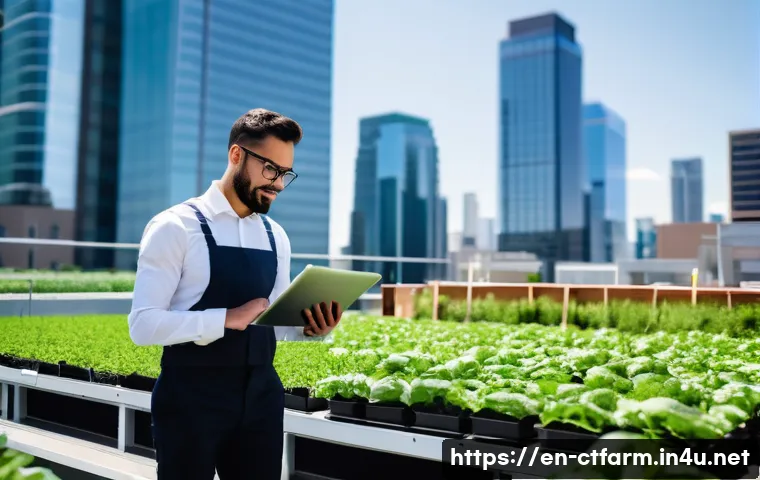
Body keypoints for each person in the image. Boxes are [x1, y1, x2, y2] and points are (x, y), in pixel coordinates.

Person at [127, 108, 343, 479]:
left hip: (261, 397)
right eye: (270, 169)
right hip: (190, 398)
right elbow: (143, 325)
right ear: (236, 155)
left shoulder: (276, 235)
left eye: (285, 174)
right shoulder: (176, 226)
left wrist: (312, 327)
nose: (277, 183)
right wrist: (227, 318)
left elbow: (273, 321)